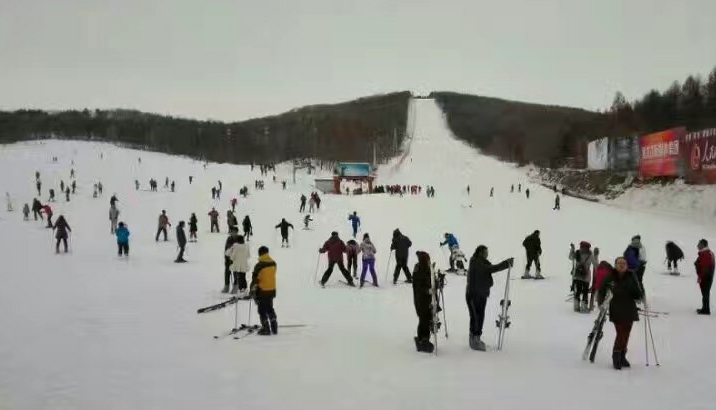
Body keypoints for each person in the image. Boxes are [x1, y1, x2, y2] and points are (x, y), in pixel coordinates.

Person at [466, 245, 513, 351]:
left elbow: (491, 268)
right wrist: (506, 264)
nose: (487, 254)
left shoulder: (482, 261)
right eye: (485, 252)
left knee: (479, 317)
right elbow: (490, 269)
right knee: (476, 317)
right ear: (480, 252)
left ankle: (476, 339)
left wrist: (506, 263)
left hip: (480, 294)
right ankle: (474, 341)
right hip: (474, 295)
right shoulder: (476, 262)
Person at [598, 257, 641, 370]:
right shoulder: (610, 277)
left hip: (629, 308)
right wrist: (601, 304)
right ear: (615, 265)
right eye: (619, 263)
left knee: (626, 333)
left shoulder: (632, 276)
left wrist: (638, 293)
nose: (621, 265)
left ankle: (622, 356)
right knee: (621, 333)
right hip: (616, 308)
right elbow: (601, 291)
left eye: (624, 263)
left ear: (627, 265)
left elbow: (638, 292)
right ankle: (616, 356)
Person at [250, 246, 277, 335]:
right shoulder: (273, 263)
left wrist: (252, 291)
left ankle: (266, 329)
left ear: (260, 254)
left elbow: (255, 280)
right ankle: (274, 327)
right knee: (269, 308)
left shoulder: (259, 265)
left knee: (262, 310)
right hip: (272, 290)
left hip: (262, 291)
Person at [412, 251, 435, 353]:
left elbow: (431, 281)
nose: (429, 261)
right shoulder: (419, 270)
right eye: (428, 260)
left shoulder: (425, 268)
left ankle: (422, 337)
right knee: (424, 319)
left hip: (426, 299)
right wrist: (427, 290)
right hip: (421, 300)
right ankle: (424, 339)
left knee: (425, 319)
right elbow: (419, 287)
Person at [569, 242, 598, 313]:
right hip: (586, 277)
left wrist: (572, 249)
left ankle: (576, 307)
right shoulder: (590, 255)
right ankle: (584, 307)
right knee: (585, 292)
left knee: (577, 292)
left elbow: (570, 257)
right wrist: (596, 256)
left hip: (577, 276)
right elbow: (596, 265)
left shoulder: (577, 253)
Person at [695, 239, 714, 315]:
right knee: (705, 293)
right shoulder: (707, 252)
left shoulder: (706, 253)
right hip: (707, 276)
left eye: (699, 244)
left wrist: (700, 276)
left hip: (706, 277)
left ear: (703, 244)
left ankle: (706, 310)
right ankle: (705, 308)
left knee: (705, 293)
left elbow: (705, 267)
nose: (697, 245)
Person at [222, 228, 241, 293]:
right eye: (232, 232)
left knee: (235, 274)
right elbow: (226, 249)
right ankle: (226, 287)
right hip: (228, 259)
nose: (233, 233)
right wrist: (226, 258)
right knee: (227, 273)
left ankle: (235, 287)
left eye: (235, 232)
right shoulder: (229, 239)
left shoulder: (239, 239)